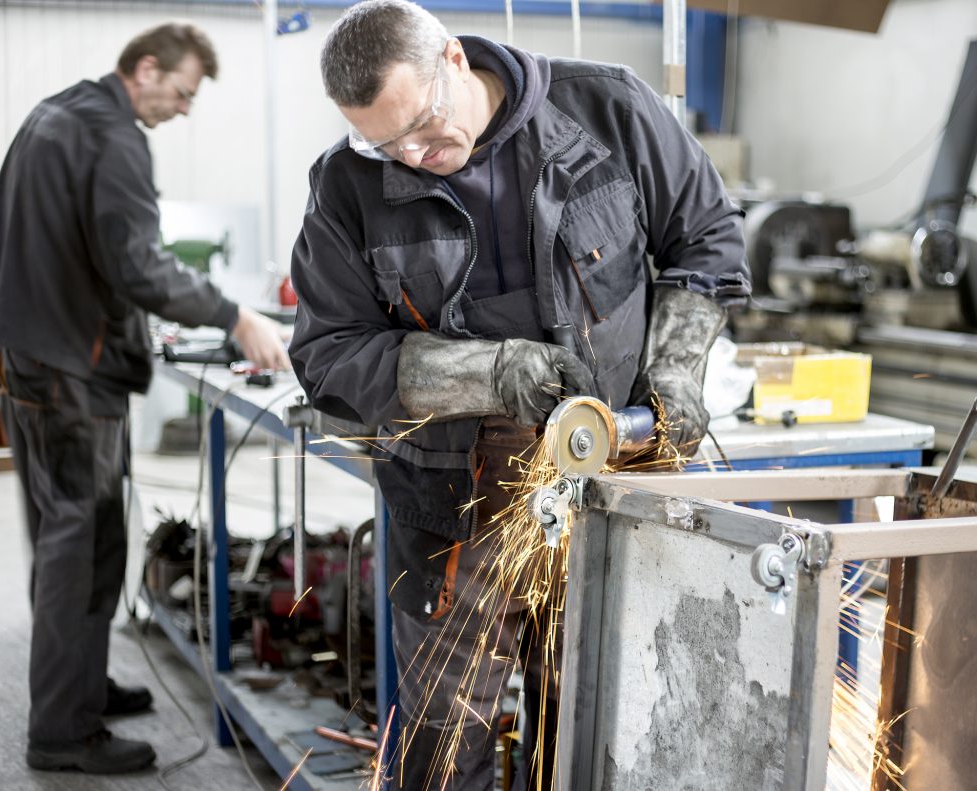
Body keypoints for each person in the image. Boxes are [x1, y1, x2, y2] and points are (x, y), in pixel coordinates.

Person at [289, 1, 751, 787]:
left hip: (608, 480)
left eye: (425, 125)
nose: (414, 154)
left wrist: (676, 368)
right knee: (440, 745)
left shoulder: (609, 109)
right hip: (451, 507)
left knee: (589, 722)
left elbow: (706, 238)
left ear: (457, 61)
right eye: (386, 141)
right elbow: (330, 358)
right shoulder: (347, 184)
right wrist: (486, 372)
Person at [0, 21, 291, 775]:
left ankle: (76, 689)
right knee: (85, 544)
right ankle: (63, 732)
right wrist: (234, 315)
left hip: (30, 355)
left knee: (63, 538)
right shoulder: (113, 138)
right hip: (73, 369)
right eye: (180, 92)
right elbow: (138, 264)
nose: (182, 109)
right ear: (145, 69)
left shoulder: (57, 112)